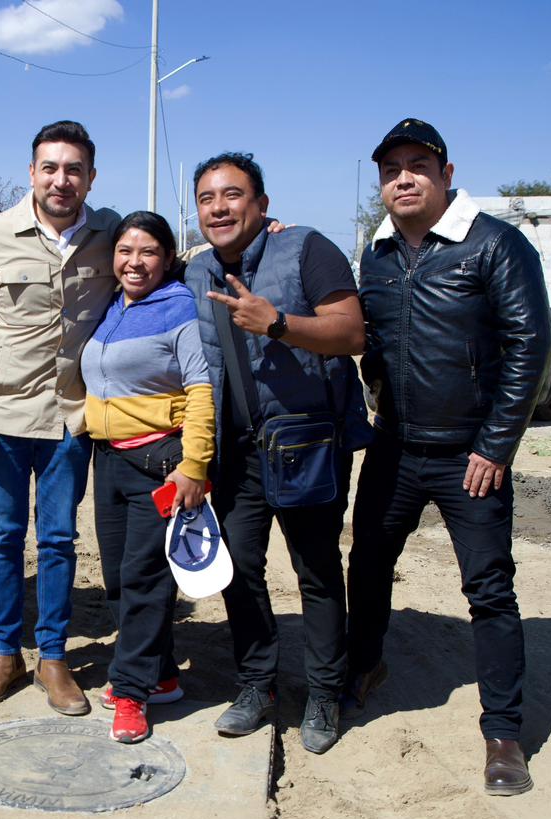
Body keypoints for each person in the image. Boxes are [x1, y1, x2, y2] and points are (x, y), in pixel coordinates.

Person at [346, 119, 551, 795]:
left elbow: (532, 349)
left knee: (489, 590)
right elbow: (365, 336)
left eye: (417, 165)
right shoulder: (375, 253)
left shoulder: (495, 244)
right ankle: (367, 663)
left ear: (446, 173)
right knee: (368, 562)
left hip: (471, 455)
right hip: (395, 446)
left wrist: (496, 444)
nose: (402, 178)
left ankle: (503, 733)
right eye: (390, 169)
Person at [185, 152, 371, 754]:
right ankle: (257, 685)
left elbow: (351, 333)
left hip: (305, 446)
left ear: (262, 205)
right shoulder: (197, 273)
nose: (220, 207)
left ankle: (323, 692)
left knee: (316, 573)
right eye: (208, 198)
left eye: (233, 195)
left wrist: (279, 323)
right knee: (238, 571)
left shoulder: (306, 249)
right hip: (235, 452)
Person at [0, 120, 120, 715]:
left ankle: (52, 658)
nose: (61, 179)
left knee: (58, 541)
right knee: (1, 540)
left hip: (72, 421)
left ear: (90, 177)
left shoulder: (111, 236)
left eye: (73, 169)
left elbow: (160, 265)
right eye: (50, 167)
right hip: (0, 422)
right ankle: (3, 654)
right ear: (32, 173)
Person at [81, 211, 214, 743]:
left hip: (160, 461)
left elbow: (201, 389)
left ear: (167, 258)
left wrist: (195, 465)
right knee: (116, 576)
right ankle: (160, 674)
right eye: (125, 251)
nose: (135, 262)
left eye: (149, 252)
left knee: (144, 578)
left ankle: (132, 693)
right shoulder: (113, 307)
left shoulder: (180, 307)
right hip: (108, 459)